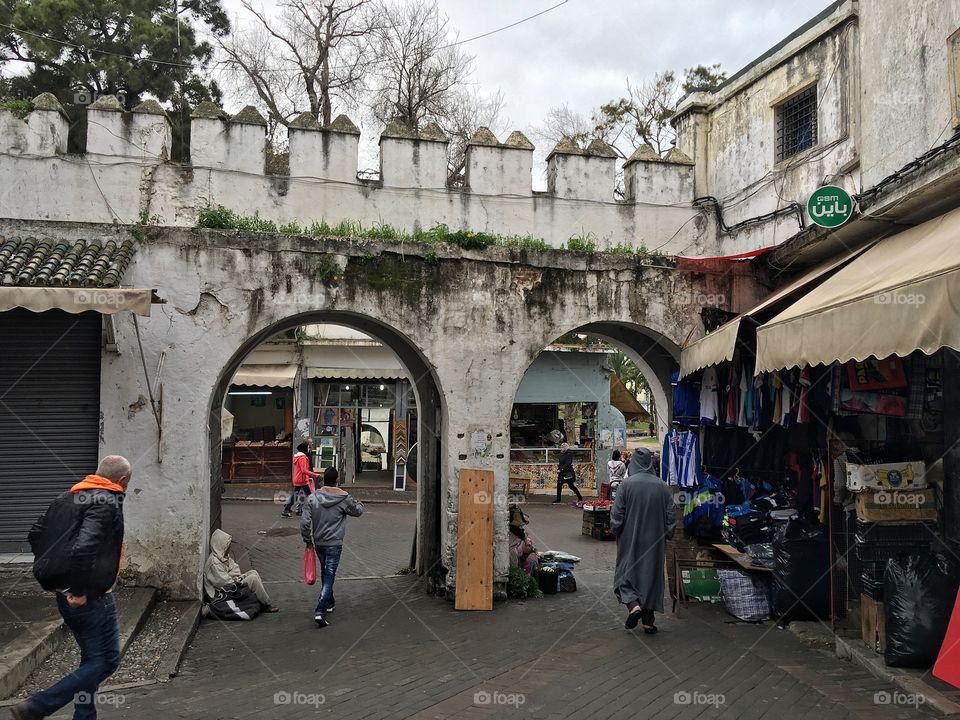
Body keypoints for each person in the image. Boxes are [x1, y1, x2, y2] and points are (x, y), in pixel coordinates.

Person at [14, 456, 131, 720]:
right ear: (121, 481)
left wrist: (56, 570)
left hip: (64, 594)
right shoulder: (107, 502)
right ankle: (38, 706)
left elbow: (35, 534)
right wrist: (79, 590)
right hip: (90, 598)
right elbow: (85, 548)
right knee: (107, 660)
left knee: (92, 659)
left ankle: (84, 716)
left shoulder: (67, 497)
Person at [610, 448, 676, 634]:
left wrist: (615, 528)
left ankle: (633, 605)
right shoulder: (663, 486)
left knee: (625, 572)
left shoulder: (626, 485)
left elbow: (617, 513)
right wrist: (668, 533)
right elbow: (671, 515)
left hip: (630, 538)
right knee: (651, 576)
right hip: (655, 540)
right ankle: (648, 621)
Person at [300, 467, 363, 627]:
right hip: (335, 543)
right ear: (336, 480)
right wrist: (360, 503)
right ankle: (320, 611)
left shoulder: (313, 498)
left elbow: (305, 522)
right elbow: (356, 512)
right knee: (329, 575)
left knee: (326, 572)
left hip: (319, 542)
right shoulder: (344, 498)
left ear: (323, 480)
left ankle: (329, 602)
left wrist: (308, 540)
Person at [203, 529, 278, 613]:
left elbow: (236, 569)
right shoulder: (214, 562)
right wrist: (236, 578)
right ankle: (266, 604)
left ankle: (260, 599)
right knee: (253, 579)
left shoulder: (223, 556)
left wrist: (234, 576)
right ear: (221, 545)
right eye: (227, 545)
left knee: (253, 572)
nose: (229, 547)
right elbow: (224, 583)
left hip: (232, 584)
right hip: (222, 593)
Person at [282, 441, 319, 518]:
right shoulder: (303, 458)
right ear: (305, 449)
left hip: (298, 478)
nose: (309, 449)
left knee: (295, 495)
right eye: (308, 447)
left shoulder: (298, 457)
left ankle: (286, 508)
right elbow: (304, 470)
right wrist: (314, 475)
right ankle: (316, 510)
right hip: (302, 480)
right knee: (309, 495)